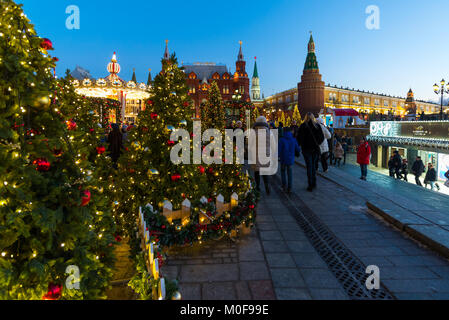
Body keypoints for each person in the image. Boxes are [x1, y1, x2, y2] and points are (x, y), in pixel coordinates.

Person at [297, 112, 325, 191]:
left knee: (309, 166)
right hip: (315, 149)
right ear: (313, 117)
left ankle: (310, 184)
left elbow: (299, 138)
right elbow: (322, 137)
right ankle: (314, 182)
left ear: (305, 117)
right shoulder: (317, 126)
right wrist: (317, 143)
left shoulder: (303, 126)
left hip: (306, 150)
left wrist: (301, 145)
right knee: (313, 165)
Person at [250, 116, 273, 195]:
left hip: (255, 155)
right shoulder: (269, 132)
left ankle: (258, 187)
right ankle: (267, 187)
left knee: (257, 172)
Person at [278, 127, 301, 194]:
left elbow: (279, 150)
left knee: (283, 172)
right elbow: (298, 149)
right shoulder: (293, 139)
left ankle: (284, 185)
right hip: (290, 159)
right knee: (290, 173)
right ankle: (290, 187)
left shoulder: (281, 140)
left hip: (283, 159)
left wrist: (277, 156)